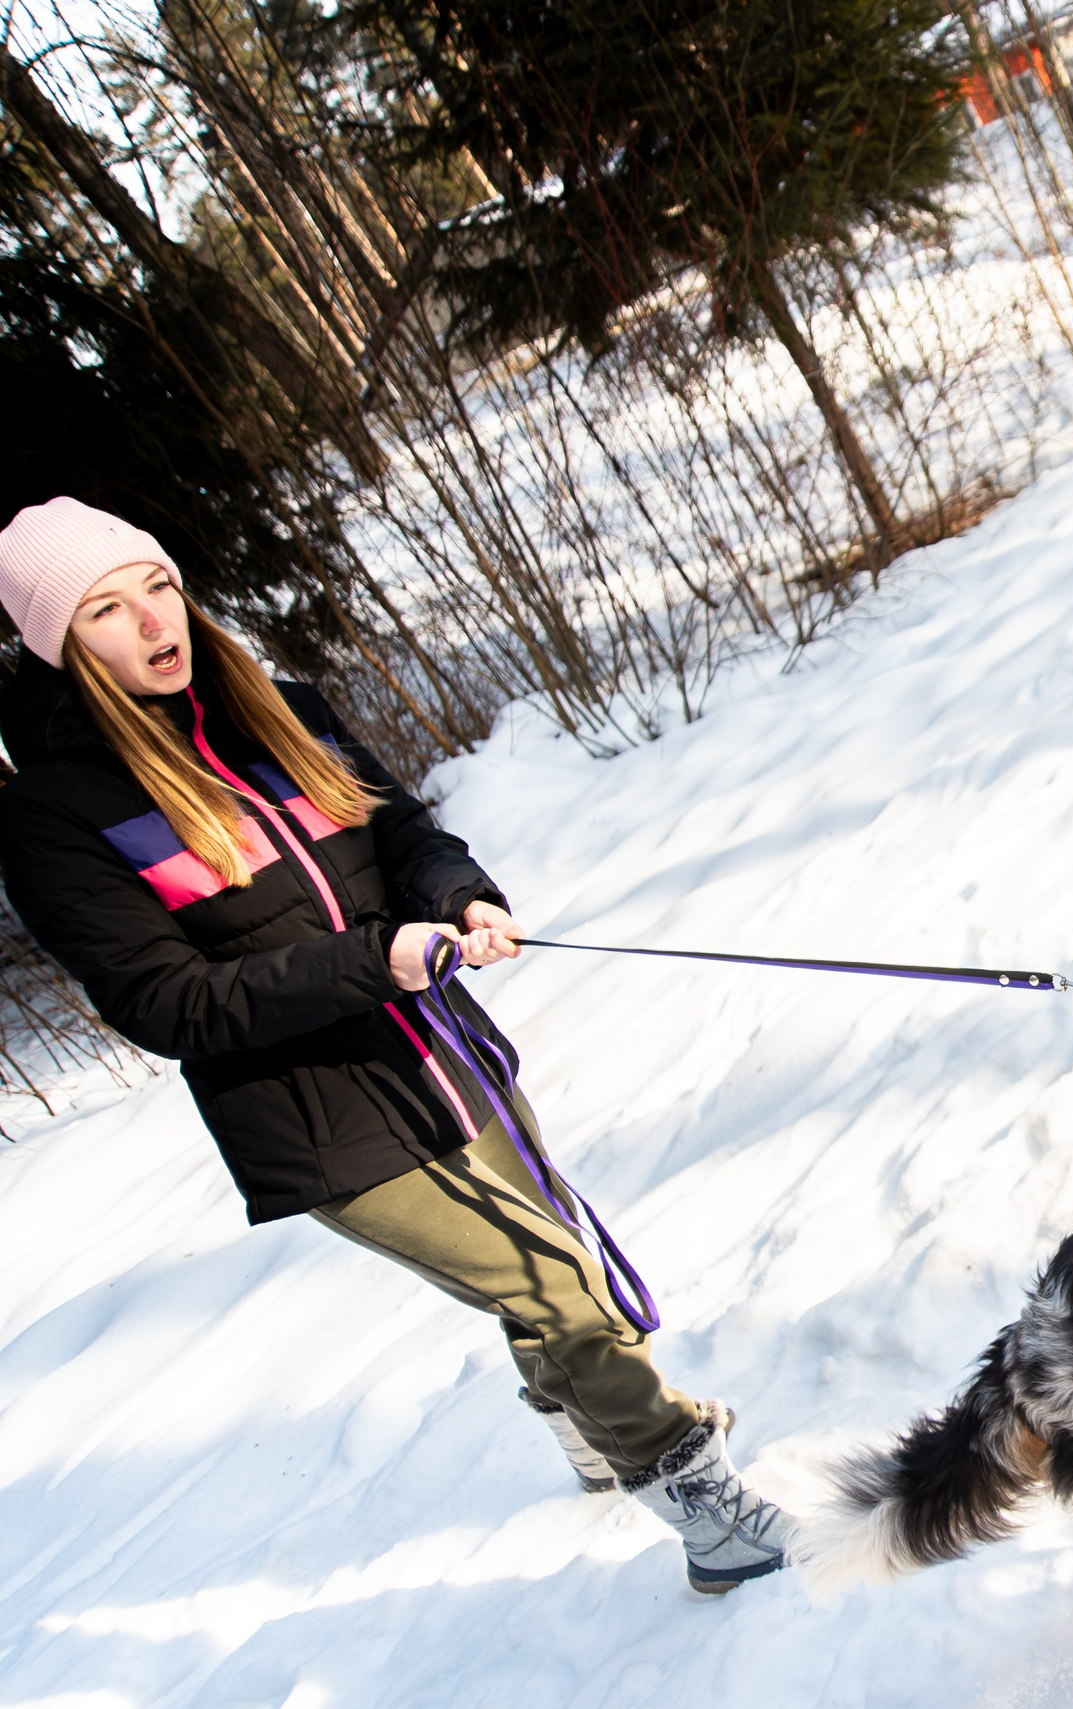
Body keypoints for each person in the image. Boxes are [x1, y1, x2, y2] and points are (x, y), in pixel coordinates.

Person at [0, 496, 798, 1595]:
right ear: (60, 644)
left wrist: (459, 896)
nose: (150, 620)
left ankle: (592, 1440)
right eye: (104, 609)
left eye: (156, 586)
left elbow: (402, 830)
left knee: (545, 1242)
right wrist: (374, 960)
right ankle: (710, 1515)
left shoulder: (280, 711)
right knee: (559, 1280)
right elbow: (166, 1000)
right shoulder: (54, 814)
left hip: (443, 1050)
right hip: (320, 1117)